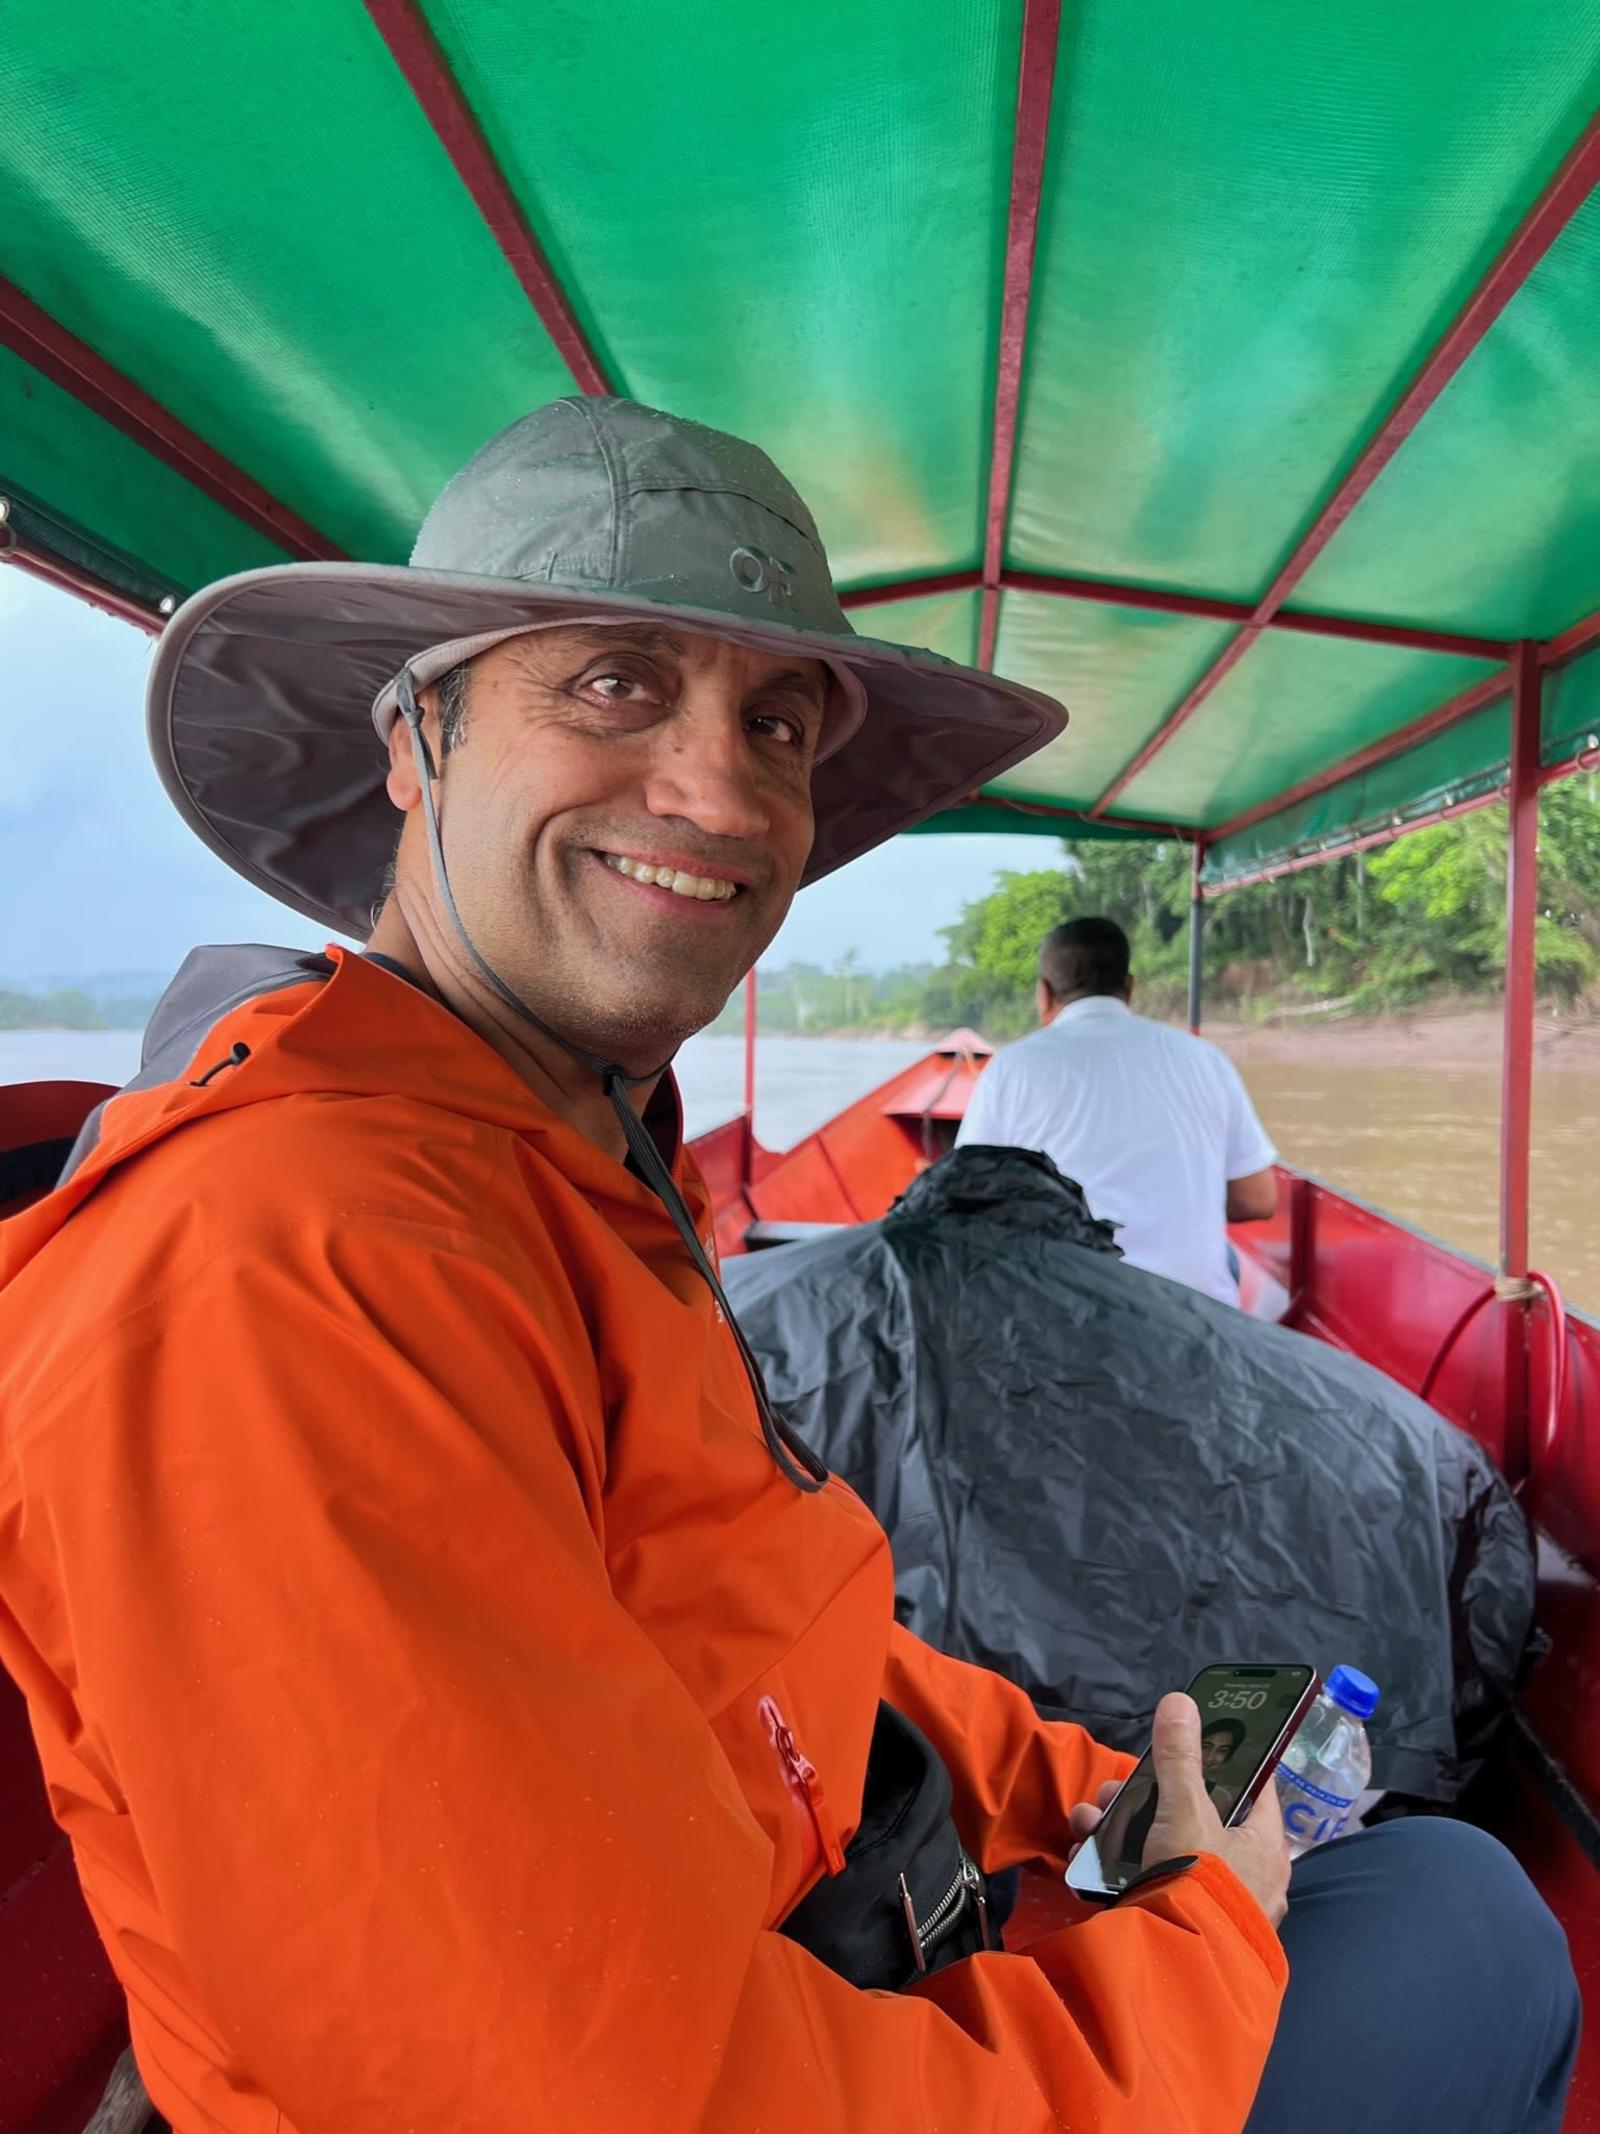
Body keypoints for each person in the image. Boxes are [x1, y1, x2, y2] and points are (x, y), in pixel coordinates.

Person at [0, 399, 1575, 2134]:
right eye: (612, 682)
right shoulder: (282, 1263)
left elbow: (790, 1650)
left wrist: (1105, 1793)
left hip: (834, 1934)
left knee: (1407, 1883)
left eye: (774, 720)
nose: (721, 787)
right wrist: (1202, 1924)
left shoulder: (574, 1172)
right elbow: (578, 2095)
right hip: (718, 2060)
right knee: (1470, 1926)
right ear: (417, 737)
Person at [956, 915, 1279, 1304]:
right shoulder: (1205, 1059)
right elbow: (1258, 1200)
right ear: (1129, 988)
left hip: (1068, 1311)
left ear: (1044, 995)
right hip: (1196, 1318)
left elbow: (966, 1200)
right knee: (1226, 1259)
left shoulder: (1011, 1067)